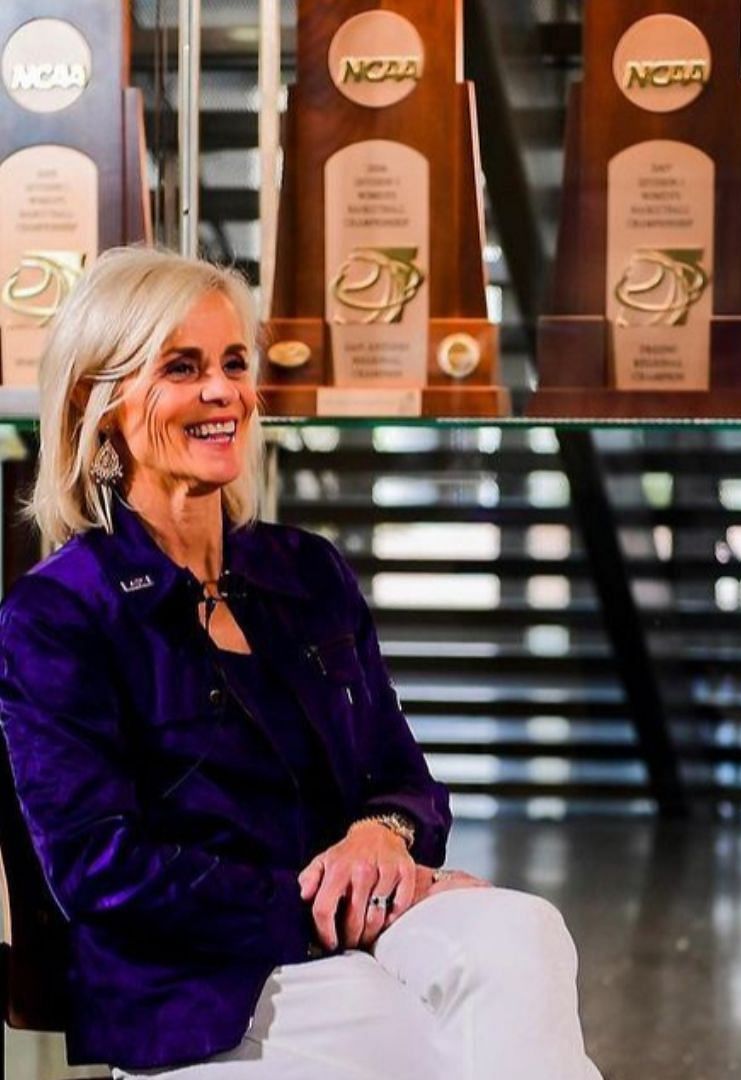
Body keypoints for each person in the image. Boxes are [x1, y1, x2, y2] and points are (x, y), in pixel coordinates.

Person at [0, 248, 599, 1079]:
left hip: (363, 937)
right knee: (418, 1034)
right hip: (202, 989)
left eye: (235, 364)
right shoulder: (57, 614)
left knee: (521, 931)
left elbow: (406, 781)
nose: (225, 393)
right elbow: (101, 872)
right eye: (183, 367)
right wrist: (321, 907)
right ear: (102, 406)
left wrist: (380, 835)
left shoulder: (306, 571)